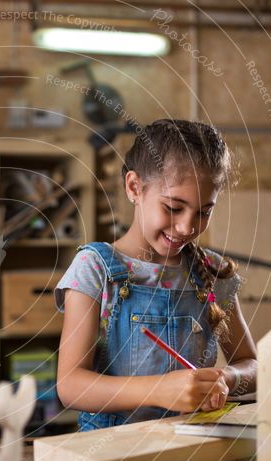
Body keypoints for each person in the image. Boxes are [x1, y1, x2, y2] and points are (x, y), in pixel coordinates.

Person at [56, 119, 257, 431]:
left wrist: (225, 377)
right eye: (174, 208)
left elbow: (252, 366)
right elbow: (70, 385)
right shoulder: (94, 268)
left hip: (189, 448)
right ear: (135, 187)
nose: (188, 227)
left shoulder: (213, 274)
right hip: (112, 451)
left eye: (204, 211)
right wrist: (159, 390)